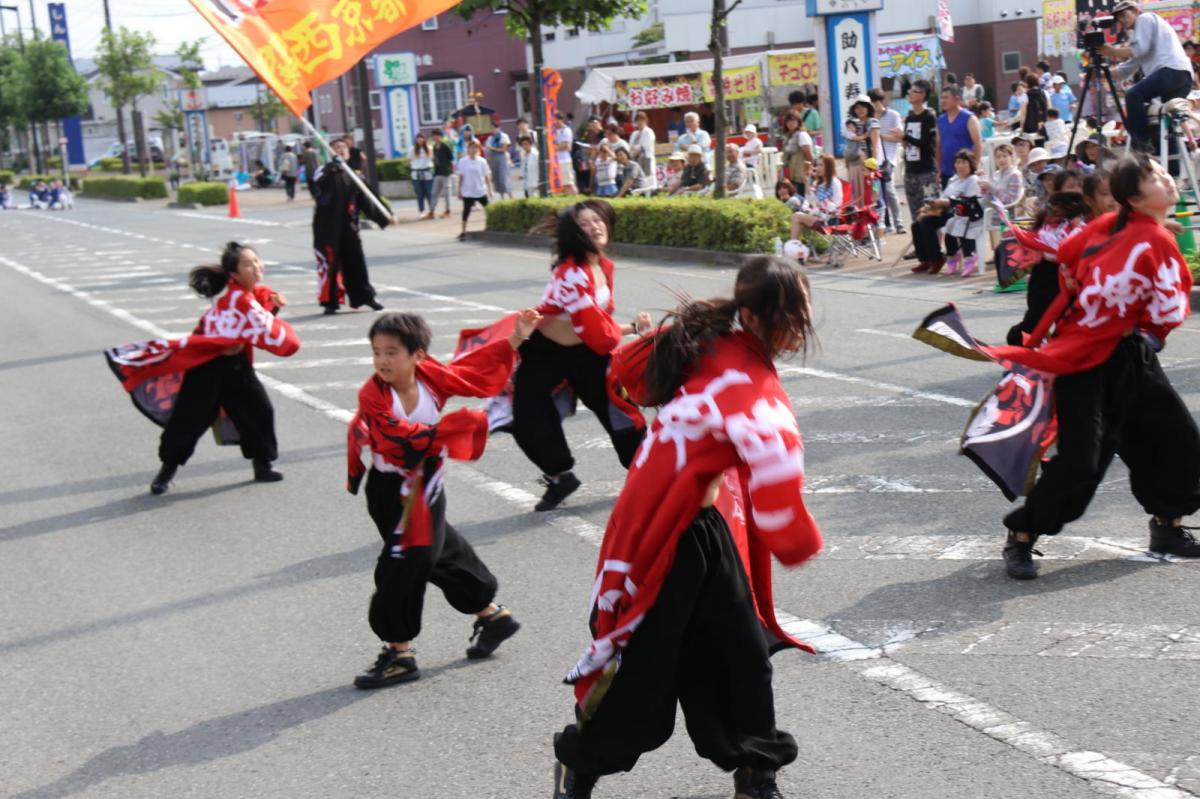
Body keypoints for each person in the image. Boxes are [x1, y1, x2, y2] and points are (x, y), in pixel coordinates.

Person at [551, 256, 823, 799]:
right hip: (664, 533)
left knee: (741, 654)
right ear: (753, 315)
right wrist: (798, 539)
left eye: (803, 308)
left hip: (701, 525)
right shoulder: (742, 378)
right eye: (790, 313)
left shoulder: (712, 343)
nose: (802, 322)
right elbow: (776, 472)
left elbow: (625, 371)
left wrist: (673, 334)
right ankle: (581, 763)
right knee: (645, 672)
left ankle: (755, 770)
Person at [987, 153, 1200, 579]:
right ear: (1134, 197)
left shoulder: (1138, 231)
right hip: (1085, 358)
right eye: (1155, 176)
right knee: (1083, 461)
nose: (1167, 179)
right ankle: (1023, 534)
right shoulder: (1139, 235)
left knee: (1177, 440)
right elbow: (1168, 307)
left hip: (1129, 354)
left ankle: (1167, 525)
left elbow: (1068, 258)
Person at [346, 309, 541, 689]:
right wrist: (452, 428)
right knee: (438, 553)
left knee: (405, 563)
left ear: (418, 355)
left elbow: (475, 369)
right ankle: (491, 615)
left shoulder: (432, 376)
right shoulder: (373, 394)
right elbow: (396, 438)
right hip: (388, 489)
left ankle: (399, 653)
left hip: (424, 485)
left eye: (392, 352)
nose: (382, 361)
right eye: (377, 352)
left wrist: (516, 338)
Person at [104, 242, 300, 495]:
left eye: (256, 261)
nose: (255, 266)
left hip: (237, 367)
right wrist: (276, 317)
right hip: (208, 367)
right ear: (234, 274)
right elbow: (271, 332)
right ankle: (166, 471)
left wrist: (270, 303)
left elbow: (258, 306)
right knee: (189, 420)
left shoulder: (247, 293)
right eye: (247, 263)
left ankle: (262, 464)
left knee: (259, 411)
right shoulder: (239, 298)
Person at [513, 200, 651, 512]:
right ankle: (560, 475)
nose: (595, 226)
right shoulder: (571, 273)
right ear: (574, 234)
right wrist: (629, 331)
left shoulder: (602, 265)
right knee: (525, 418)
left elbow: (598, 326)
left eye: (598, 219)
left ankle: (650, 473)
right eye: (585, 224)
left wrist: (632, 327)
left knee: (620, 412)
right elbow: (597, 333)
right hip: (546, 354)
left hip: (588, 354)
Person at [1004, 170, 1090, 347]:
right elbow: (1040, 241)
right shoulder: (1049, 215)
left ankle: (1059, 356)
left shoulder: (1087, 215)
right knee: (1036, 319)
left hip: (1073, 278)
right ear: (1057, 191)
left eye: (1079, 186)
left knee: (1068, 321)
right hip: (1046, 275)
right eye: (1071, 186)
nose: (1077, 190)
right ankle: (1019, 348)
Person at [312, 137, 394, 315]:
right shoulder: (322, 171)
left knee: (356, 261)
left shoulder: (355, 176)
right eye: (337, 147)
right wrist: (332, 168)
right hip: (327, 228)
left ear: (349, 153)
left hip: (349, 226)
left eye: (344, 147)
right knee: (330, 263)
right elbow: (317, 190)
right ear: (330, 151)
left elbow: (369, 200)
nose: (341, 150)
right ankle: (330, 301)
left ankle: (365, 297)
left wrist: (386, 216)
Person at [1101, 0, 1193, 152]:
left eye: (1124, 15)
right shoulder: (1143, 34)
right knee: (1166, 123)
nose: (1122, 21)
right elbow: (1127, 68)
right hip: (1182, 76)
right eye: (1119, 19)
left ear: (1136, 10)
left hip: (1170, 71)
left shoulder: (1145, 19)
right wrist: (1101, 72)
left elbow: (1139, 50)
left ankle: (1141, 143)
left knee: (1134, 95)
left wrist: (1112, 52)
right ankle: (1174, 170)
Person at [911, 149, 984, 276]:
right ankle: (926, 258)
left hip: (963, 213)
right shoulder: (953, 179)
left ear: (971, 164)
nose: (960, 166)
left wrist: (945, 203)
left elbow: (970, 202)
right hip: (947, 211)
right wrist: (933, 206)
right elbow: (945, 197)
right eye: (958, 163)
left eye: (964, 163)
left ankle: (937, 258)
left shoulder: (973, 180)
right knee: (917, 223)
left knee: (927, 223)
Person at [903, 80, 941, 228]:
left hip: (926, 171)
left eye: (914, 91)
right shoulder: (910, 117)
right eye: (910, 91)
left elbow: (927, 144)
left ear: (923, 95)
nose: (910, 94)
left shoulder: (929, 116)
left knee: (932, 211)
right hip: (910, 170)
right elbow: (907, 142)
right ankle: (920, 248)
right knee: (915, 214)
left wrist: (904, 137)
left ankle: (936, 248)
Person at [871, 87, 905, 235]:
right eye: (873, 102)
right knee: (879, 193)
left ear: (882, 101)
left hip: (889, 158)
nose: (876, 105)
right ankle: (887, 223)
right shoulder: (871, 118)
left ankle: (899, 223)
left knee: (889, 190)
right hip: (874, 159)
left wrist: (880, 135)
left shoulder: (893, 115)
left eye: (877, 101)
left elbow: (899, 137)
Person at [789, 154, 844, 240]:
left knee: (796, 216)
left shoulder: (835, 183)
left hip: (830, 219)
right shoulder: (817, 183)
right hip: (818, 216)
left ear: (828, 167)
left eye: (821, 165)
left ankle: (794, 245)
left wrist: (822, 209)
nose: (817, 168)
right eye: (816, 165)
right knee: (797, 217)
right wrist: (806, 182)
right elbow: (812, 202)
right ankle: (797, 246)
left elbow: (838, 204)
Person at [937, 86, 983, 187]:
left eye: (946, 98)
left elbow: (978, 144)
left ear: (957, 99)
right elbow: (938, 146)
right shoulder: (941, 120)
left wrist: (976, 166)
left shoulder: (969, 118)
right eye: (942, 98)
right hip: (947, 172)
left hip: (966, 172)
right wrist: (938, 169)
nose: (942, 101)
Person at [843, 95, 880, 207]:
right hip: (853, 164)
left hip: (867, 165)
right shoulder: (852, 124)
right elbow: (849, 145)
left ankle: (874, 223)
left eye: (863, 106)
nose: (860, 110)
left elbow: (875, 146)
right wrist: (847, 164)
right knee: (855, 197)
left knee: (870, 196)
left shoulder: (873, 122)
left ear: (869, 108)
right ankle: (860, 223)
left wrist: (873, 168)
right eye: (857, 107)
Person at [456, 138, 492, 241]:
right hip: (468, 191)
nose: (474, 149)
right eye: (472, 147)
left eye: (476, 147)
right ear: (468, 149)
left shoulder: (482, 161)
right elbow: (461, 176)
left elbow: (486, 176)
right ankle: (463, 231)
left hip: (480, 190)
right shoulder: (463, 161)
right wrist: (459, 190)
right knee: (466, 212)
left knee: (489, 210)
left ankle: (489, 227)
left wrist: (490, 189)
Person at [781, 112, 813, 191]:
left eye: (793, 121)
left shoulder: (802, 135)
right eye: (788, 121)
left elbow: (809, 156)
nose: (791, 124)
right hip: (792, 173)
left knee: (802, 197)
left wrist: (807, 172)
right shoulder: (788, 136)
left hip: (801, 175)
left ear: (798, 122)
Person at [628, 111, 657, 191]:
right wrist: (633, 150)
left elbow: (644, 146)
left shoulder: (649, 132)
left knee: (648, 177)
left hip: (646, 158)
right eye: (637, 120)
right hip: (635, 158)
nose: (639, 122)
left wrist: (636, 149)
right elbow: (630, 146)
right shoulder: (634, 133)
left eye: (642, 120)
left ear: (645, 121)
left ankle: (652, 192)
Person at [410, 133, 435, 219]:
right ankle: (421, 211)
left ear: (424, 139)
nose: (420, 140)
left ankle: (432, 210)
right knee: (419, 193)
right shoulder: (412, 149)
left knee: (429, 193)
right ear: (416, 140)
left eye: (422, 138)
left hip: (427, 172)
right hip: (416, 173)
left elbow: (432, 159)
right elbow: (409, 160)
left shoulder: (429, 148)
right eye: (418, 138)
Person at [430, 129, 455, 217]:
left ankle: (448, 210)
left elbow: (451, 158)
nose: (434, 137)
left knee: (447, 193)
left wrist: (446, 166)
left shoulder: (445, 146)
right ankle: (432, 211)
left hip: (446, 172)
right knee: (434, 192)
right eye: (433, 135)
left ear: (440, 136)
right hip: (437, 172)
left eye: (435, 135)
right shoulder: (434, 147)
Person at [485, 124, 513, 200]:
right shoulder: (490, 138)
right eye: (492, 128)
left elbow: (504, 149)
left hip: (502, 158)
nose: (493, 129)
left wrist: (492, 148)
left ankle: (510, 196)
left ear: (498, 128)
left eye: (494, 128)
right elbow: (487, 148)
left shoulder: (503, 136)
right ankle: (502, 197)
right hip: (493, 158)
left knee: (504, 177)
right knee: (496, 177)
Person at [554, 113, 578, 196]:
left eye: (556, 120)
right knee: (562, 185)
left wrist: (553, 148)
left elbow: (566, 145)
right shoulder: (553, 131)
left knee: (569, 183)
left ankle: (575, 199)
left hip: (564, 160)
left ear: (561, 120)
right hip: (556, 160)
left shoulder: (566, 130)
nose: (554, 122)